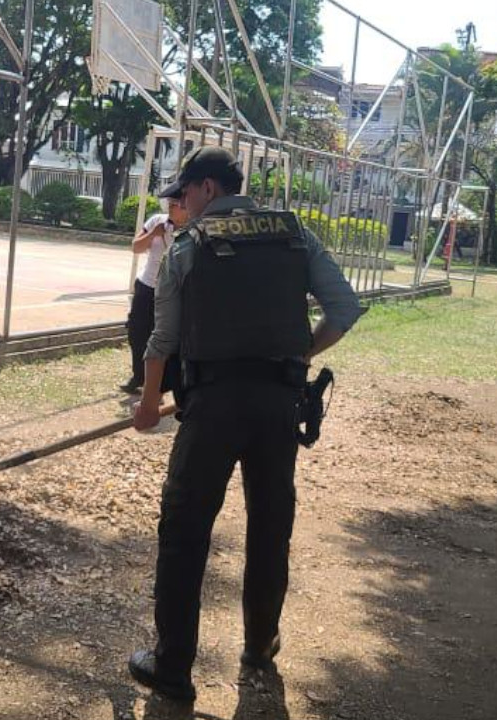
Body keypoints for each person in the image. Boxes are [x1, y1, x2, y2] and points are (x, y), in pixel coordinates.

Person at [128, 147, 362, 702]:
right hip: (279, 404)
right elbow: (344, 310)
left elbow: (163, 338)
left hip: (212, 406)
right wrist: (297, 355)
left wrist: (145, 403)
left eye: (183, 195)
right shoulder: (295, 234)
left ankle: (173, 668)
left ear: (207, 188)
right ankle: (260, 645)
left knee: (185, 531)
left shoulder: (189, 245)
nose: (180, 207)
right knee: (270, 523)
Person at [121, 199, 187, 395]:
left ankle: (161, 383)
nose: (172, 207)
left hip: (171, 290)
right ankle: (138, 375)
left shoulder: (191, 230)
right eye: (171, 203)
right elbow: (136, 247)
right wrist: (154, 233)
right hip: (146, 285)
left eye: (177, 204)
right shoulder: (158, 221)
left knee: (163, 335)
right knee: (136, 330)